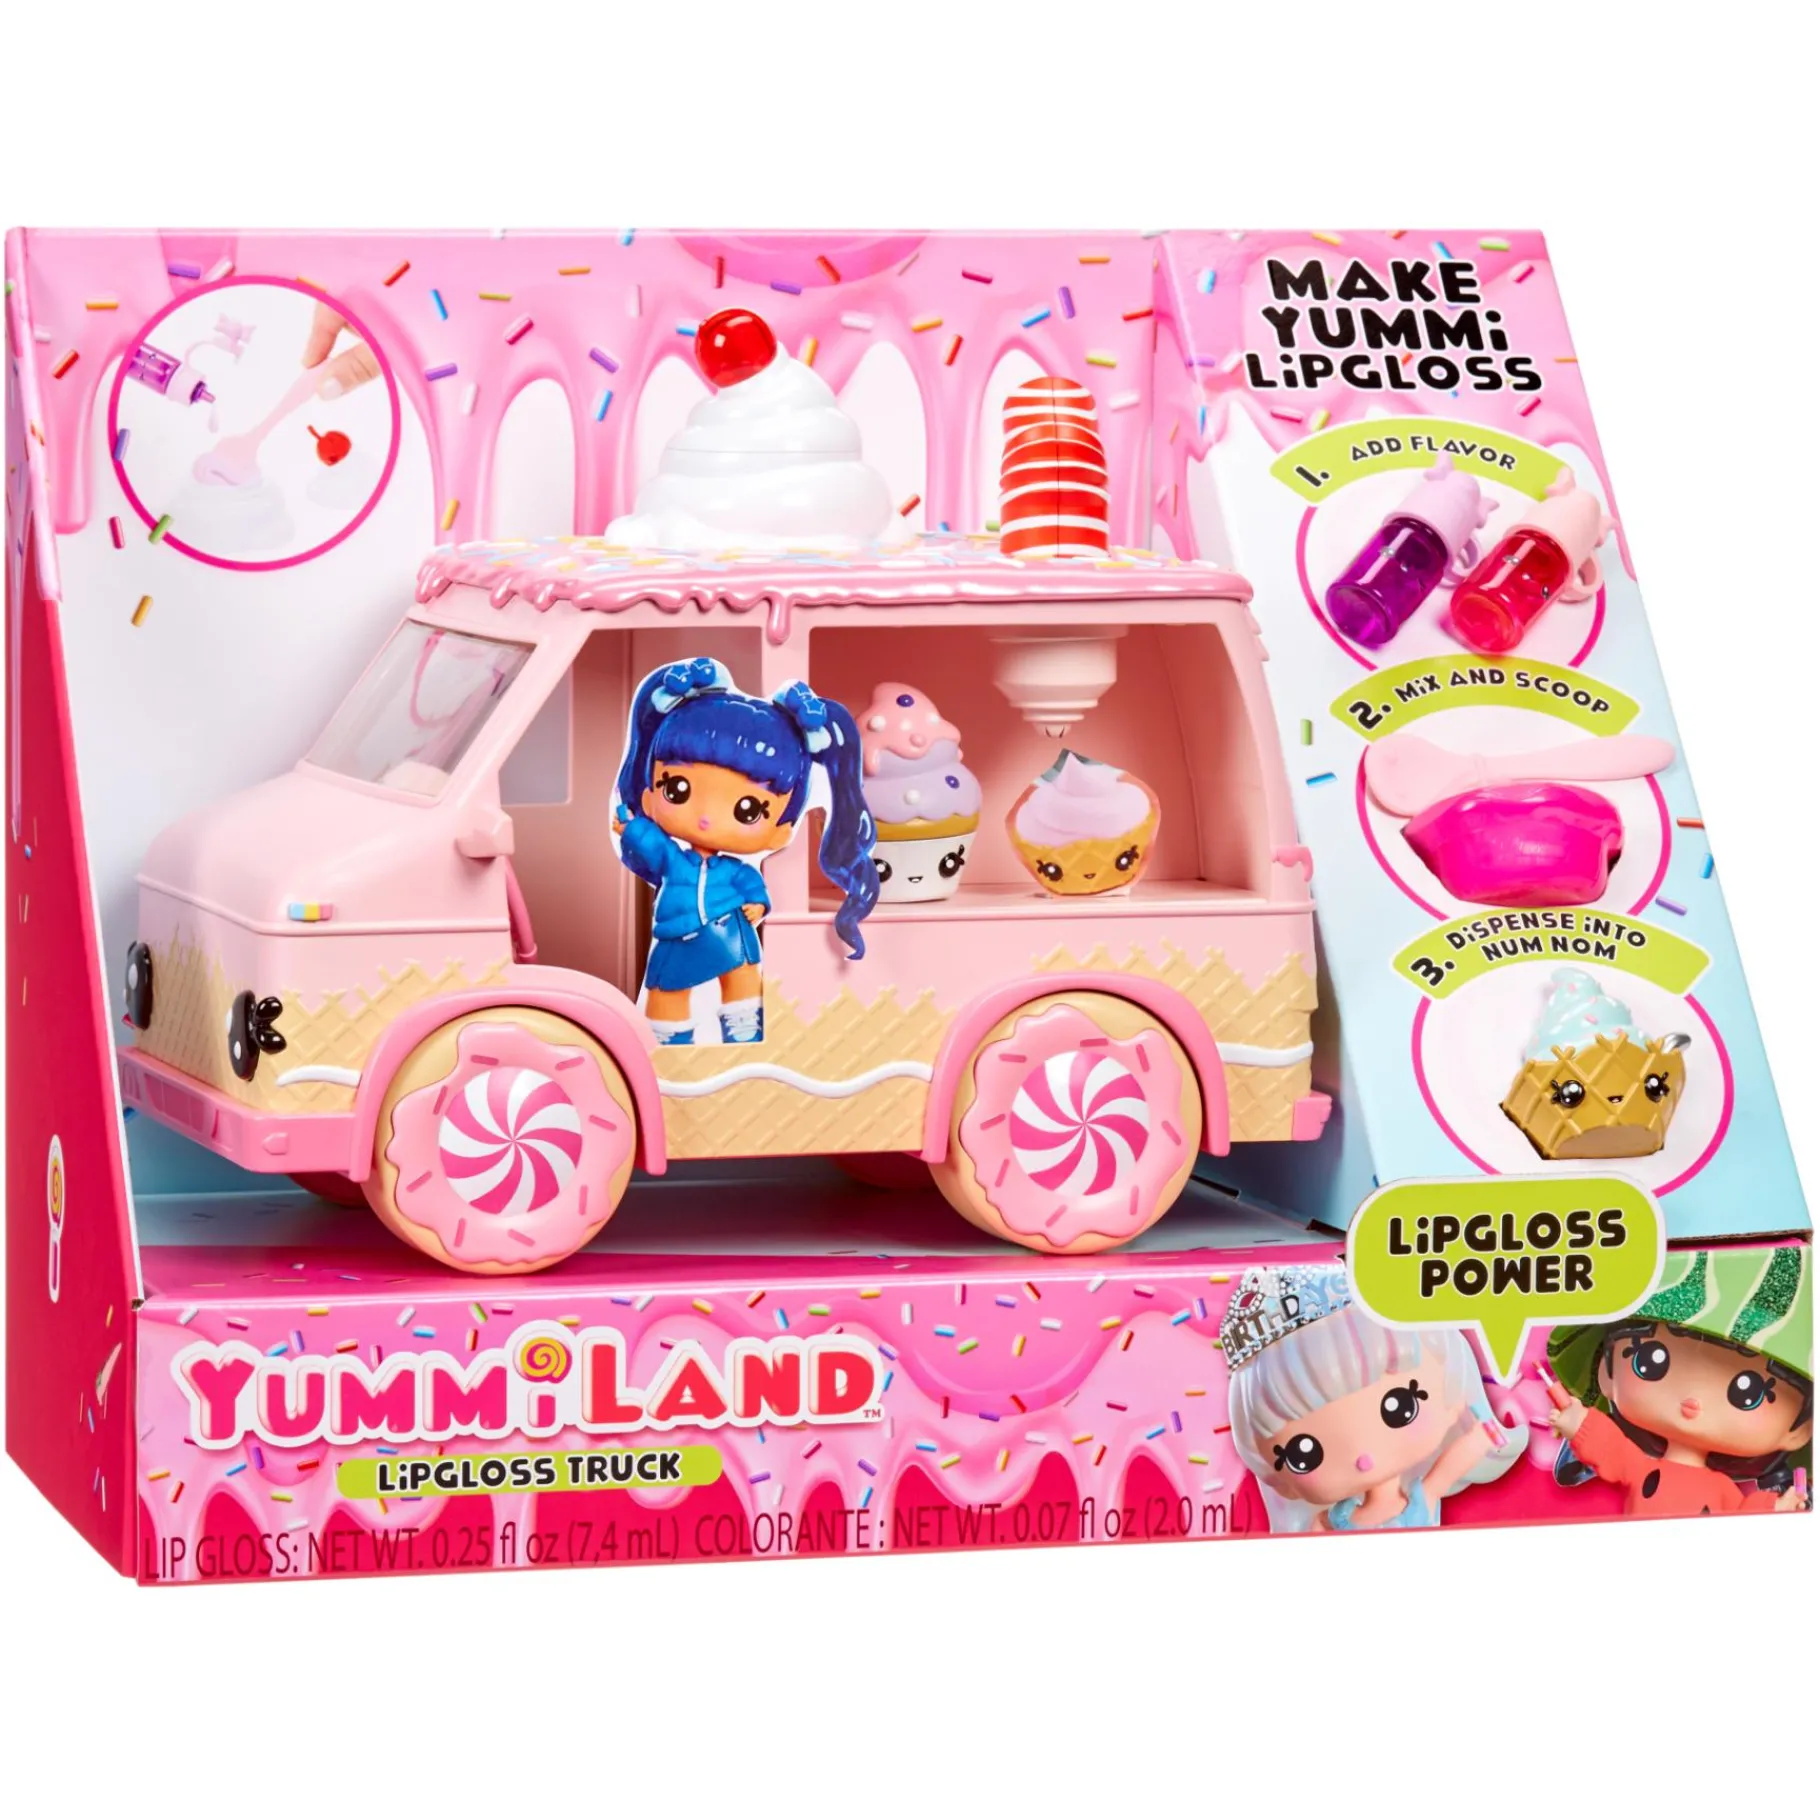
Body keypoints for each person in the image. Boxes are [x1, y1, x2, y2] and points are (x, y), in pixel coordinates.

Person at [613, 657, 877, 1046]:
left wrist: (757, 902)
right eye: (677, 789)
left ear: (781, 830)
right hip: (677, 937)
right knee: (667, 992)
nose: (705, 818)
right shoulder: (673, 860)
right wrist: (631, 826)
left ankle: (743, 1036)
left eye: (748, 809)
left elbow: (751, 883)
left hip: (732, 935)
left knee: (742, 983)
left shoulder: (734, 871)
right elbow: (655, 845)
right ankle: (669, 1047)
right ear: (651, 795)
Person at [1224, 1263, 1523, 1532]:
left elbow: (1463, 1455)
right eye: (1303, 1455)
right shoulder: (1340, 1518)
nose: (1363, 1458)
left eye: (1401, 1407)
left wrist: (1484, 1426)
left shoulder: (1419, 1503)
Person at [1543, 1247, 1812, 1516]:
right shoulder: (1642, 1469)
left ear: (1800, 1430)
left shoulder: (1722, 1490)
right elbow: (1614, 1452)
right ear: (1607, 1370)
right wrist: (1580, 1423)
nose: (1694, 1398)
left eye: (1748, 1392)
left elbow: (1744, 1511)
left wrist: (1777, 1507)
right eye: (1651, 1361)